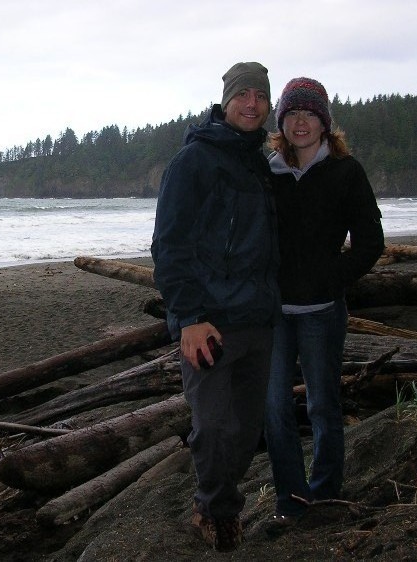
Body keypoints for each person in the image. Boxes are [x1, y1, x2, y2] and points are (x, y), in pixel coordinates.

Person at [151, 61, 281, 552]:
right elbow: (169, 245)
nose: (252, 104)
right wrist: (188, 318)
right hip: (210, 322)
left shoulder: (260, 163)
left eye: (261, 96)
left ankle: (215, 500)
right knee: (212, 425)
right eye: (243, 94)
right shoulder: (195, 161)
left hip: (258, 320)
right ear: (226, 101)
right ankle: (215, 511)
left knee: (248, 430)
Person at [263, 77, 384, 531]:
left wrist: (331, 280)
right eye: (292, 113)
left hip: (322, 314)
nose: (300, 122)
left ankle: (327, 492)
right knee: (274, 408)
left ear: (324, 122)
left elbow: (371, 241)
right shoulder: (267, 173)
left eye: (309, 114)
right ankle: (293, 501)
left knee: (322, 405)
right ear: (282, 121)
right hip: (273, 314)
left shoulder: (345, 171)